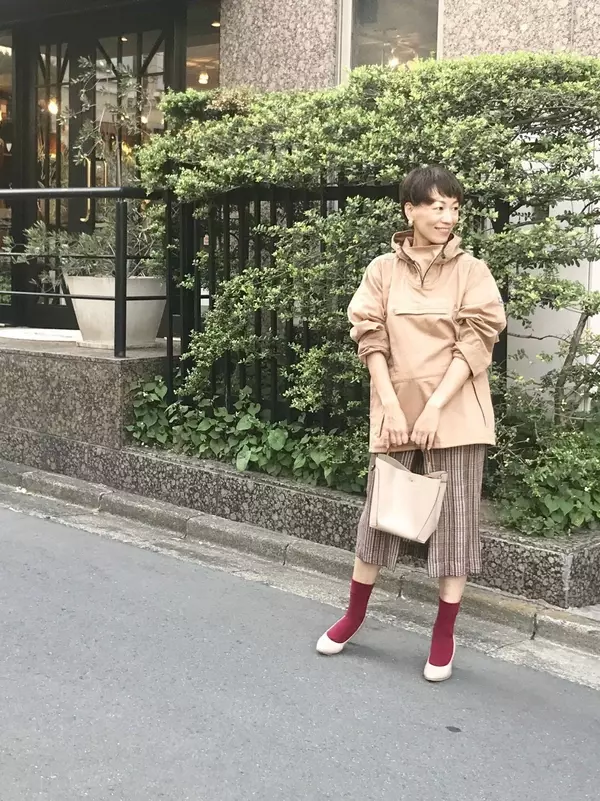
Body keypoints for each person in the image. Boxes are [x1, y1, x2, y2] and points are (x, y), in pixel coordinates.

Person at [316, 165, 507, 682]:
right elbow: (370, 336)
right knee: (381, 517)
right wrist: (392, 405)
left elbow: (477, 343)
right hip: (397, 415)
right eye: (437, 206)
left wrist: (437, 406)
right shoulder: (383, 270)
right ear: (411, 210)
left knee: (456, 525)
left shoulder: (472, 271)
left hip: (456, 413)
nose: (448, 217)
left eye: (454, 208)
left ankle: (443, 634)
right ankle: (354, 615)